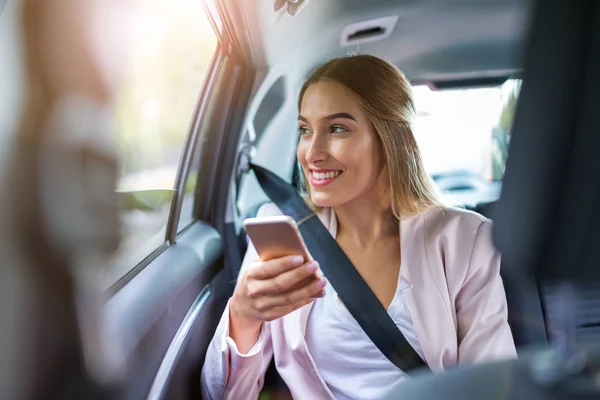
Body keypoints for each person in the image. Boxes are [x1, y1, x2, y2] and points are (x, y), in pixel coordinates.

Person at [201, 54, 516, 400]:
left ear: (398, 139)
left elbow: (495, 383)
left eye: (337, 128)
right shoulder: (282, 229)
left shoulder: (465, 240)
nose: (311, 153)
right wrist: (243, 316)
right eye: (305, 130)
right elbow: (224, 395)